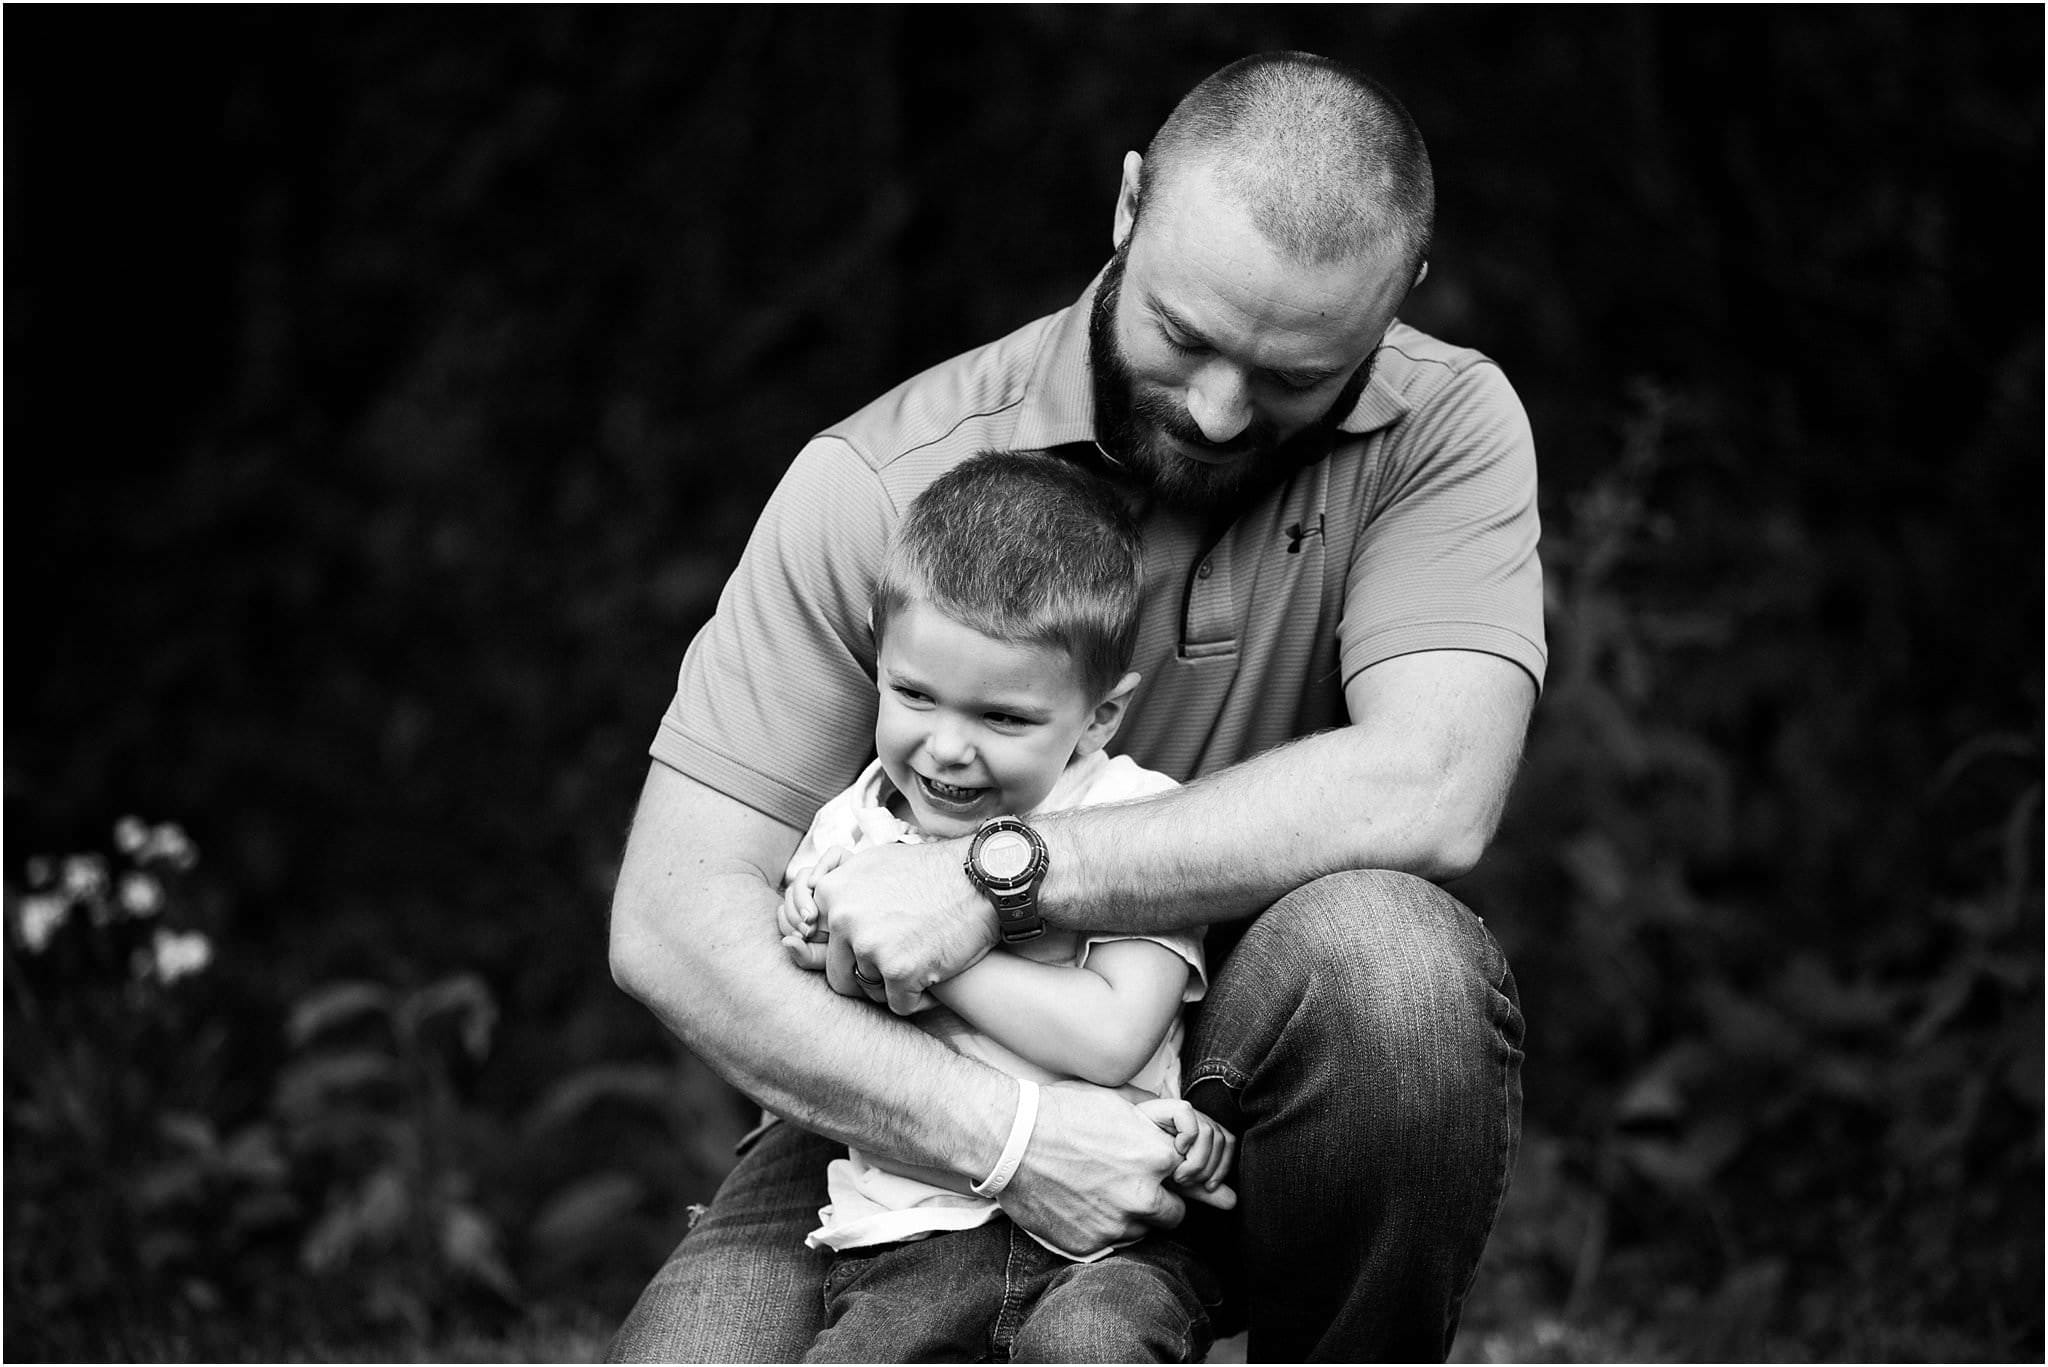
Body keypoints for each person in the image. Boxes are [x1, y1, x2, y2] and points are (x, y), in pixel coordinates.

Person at [609, 49, 1541, 1362]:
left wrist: (997, 875)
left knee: (1394, 965)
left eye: (1293, 375)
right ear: (1127, 206)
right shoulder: (884, 484)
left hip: (1234, 1065)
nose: (1221, 411)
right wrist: (1012, 1138)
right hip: (906, 1105)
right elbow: (674, 918)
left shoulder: (1440, 427)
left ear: (1401, 301)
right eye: (1186, 335)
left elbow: (1436, 783)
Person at [774, 450, 1236, 1362]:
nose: (947, 749)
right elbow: (814, 1004)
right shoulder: (857, 821)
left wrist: (941, 956)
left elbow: (1111, 1037)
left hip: (1107, 1246)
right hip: (905, 1232)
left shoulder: (1132, 819)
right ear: (879, 651)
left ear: (1099, 716)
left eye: (1005, 719)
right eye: (913, 694)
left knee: (1093, 1347)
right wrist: (813, 933)